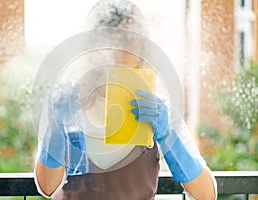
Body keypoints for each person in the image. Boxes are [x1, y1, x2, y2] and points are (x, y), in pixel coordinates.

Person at [34, 0, 217, 199]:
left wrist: (167, 136)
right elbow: (47, 187)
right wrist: (56, 126)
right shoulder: (66, 102)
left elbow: (206, 194)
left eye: (129, 40)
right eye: (111, 39)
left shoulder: (158, 110)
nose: (119, 51)